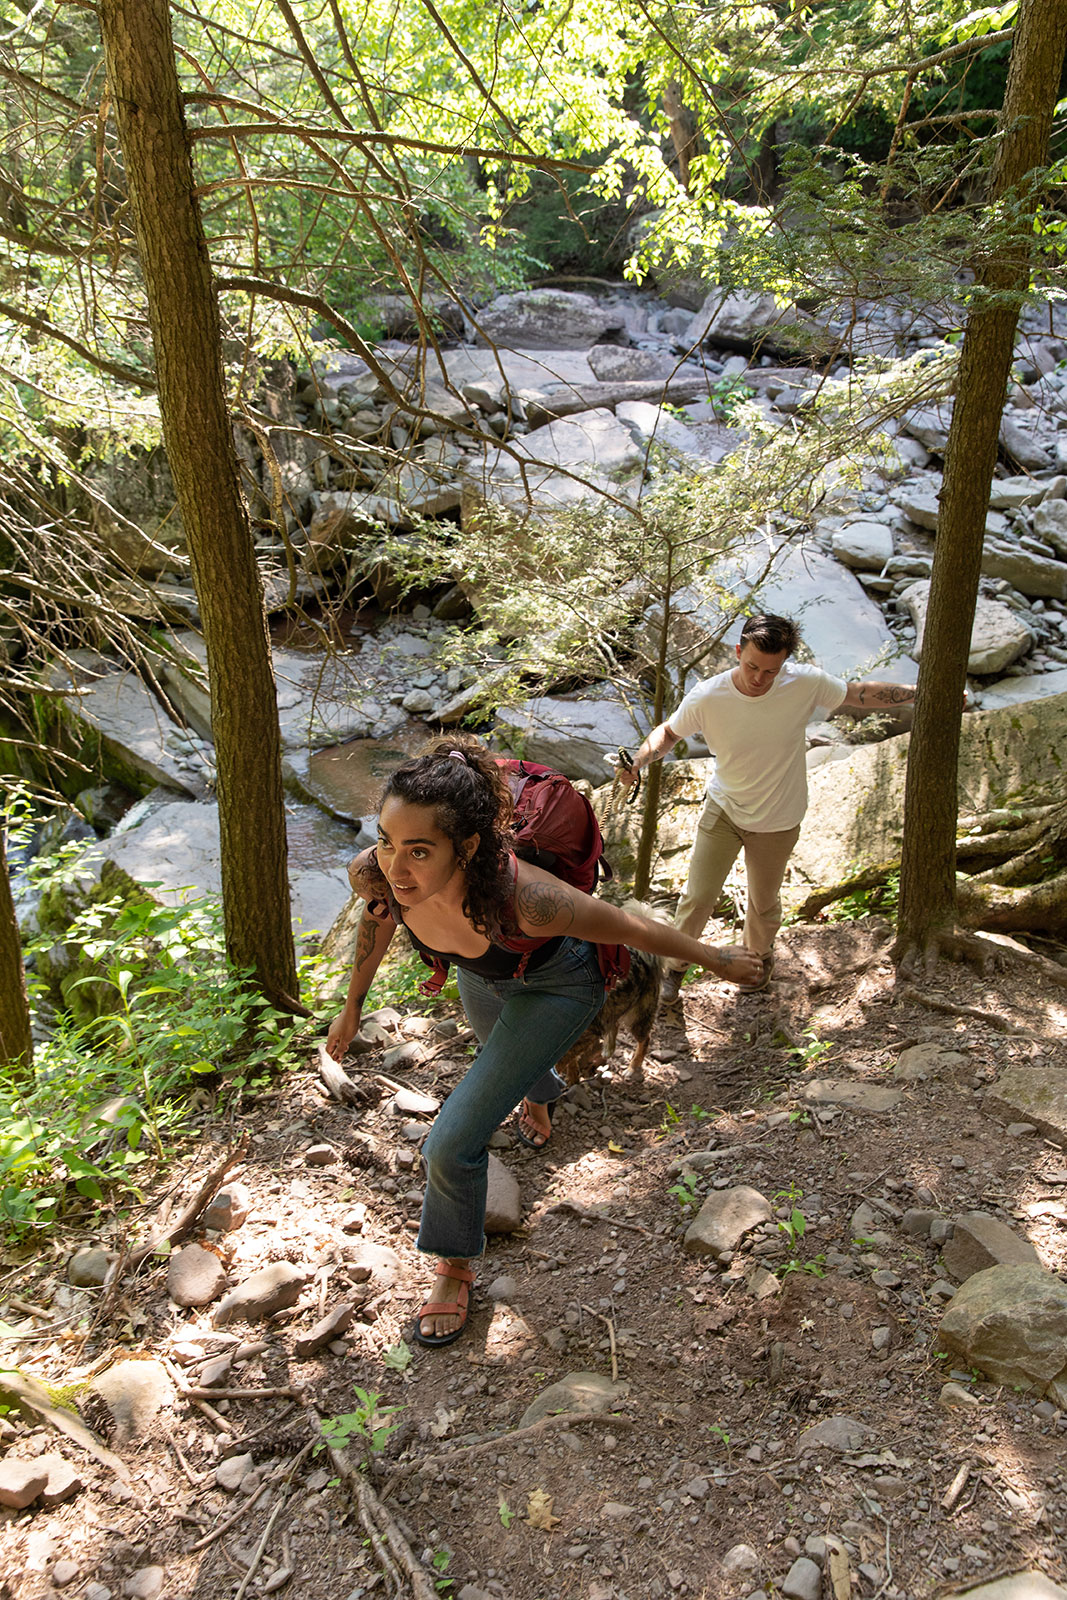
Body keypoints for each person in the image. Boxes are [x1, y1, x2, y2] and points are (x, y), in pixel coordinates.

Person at [325, 734, 762, 1348]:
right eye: (388, 840)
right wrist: (351, 1008)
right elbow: (375, 927)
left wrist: (715, 957)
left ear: (467, 846)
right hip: (485, 972)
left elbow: (631, 926)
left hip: (559, 983)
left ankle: (453, 1266)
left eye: (419, 851)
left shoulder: (531, 899)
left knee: (450, 1143)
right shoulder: (380, 875)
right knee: (504, 1059)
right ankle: (540, 1093)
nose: (397, 868)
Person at [616, 614, 917, 1004]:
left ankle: (756, 963)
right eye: (752, 666)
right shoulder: (709, 696)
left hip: (778, 818)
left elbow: (857, 694)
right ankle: (674, 969)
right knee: (698, 898)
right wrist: (637, 763)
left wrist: (917, 690)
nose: (759, 678)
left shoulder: (804, 683)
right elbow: (669, 733)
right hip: (724, 809)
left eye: (770, 671)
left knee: (763, 903)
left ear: (786, 663)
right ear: (738, 652)